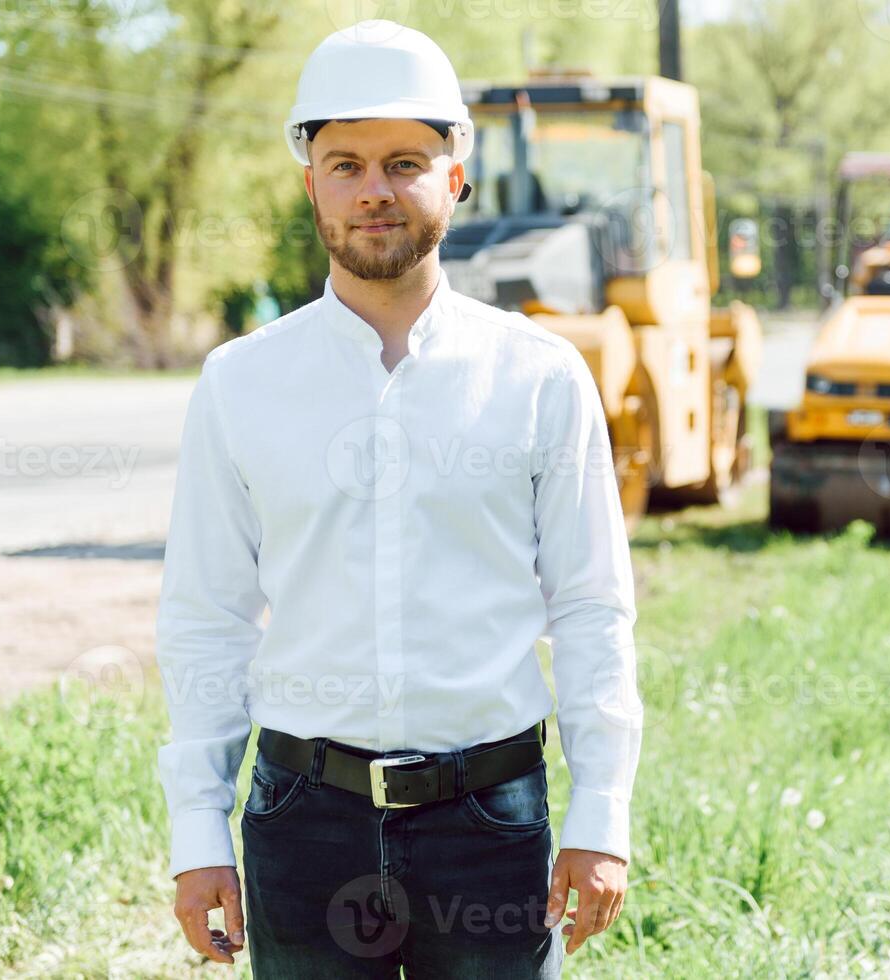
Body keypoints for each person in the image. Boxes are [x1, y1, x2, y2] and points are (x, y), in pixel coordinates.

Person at [154, 20, 642, 977]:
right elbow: (206, 615)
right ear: (311, 185)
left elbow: (592, 605)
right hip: (303, 823)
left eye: (404, 160)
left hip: (491, 825)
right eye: (345, 163)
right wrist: (197, 829)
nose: (374, 188)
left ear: (455, 175)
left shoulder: (540, 377)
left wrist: (602, 812)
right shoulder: (240, 382)